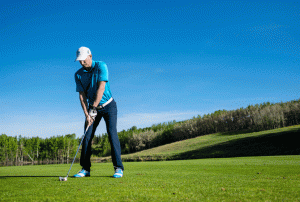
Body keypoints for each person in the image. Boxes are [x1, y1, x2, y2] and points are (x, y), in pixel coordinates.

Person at [73, 46, 124, 178]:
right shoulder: (78, 74)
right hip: (92, 109)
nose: (82, 63)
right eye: (80, 61)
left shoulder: (101, 66)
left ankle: (118, 168)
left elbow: (101, 88)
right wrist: (87, 114)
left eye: (84, 60)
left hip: (108, 106)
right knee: (86, 136)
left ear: (90, 56)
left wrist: (93, 108)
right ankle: (85, 169)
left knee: (112, 134)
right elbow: (82, 96)